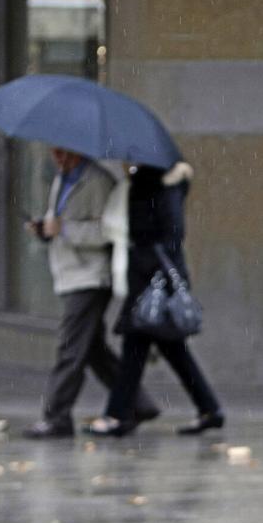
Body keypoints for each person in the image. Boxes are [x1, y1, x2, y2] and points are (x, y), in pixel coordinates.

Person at [22, 148, 159, 439]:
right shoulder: (62, 178)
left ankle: (57, 417)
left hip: (91, 276)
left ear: (77, 151)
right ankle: (138, 403)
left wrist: (64, 230)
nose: (58, 158)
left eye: (64, 153)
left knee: (70, 347)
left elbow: (105, 232)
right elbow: (62, 220)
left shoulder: (98, 181)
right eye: (54, 152)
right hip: (69, 273)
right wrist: (46, 229)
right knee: (93, 349)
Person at [84, 161, 224, 437]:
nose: (124, 163)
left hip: (153, 282)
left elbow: (171, 235)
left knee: (135, 349)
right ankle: (209, 409)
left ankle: (117, 415)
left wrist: (152, 269)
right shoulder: (147, 184)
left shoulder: (159, 186)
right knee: (171, 351)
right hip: (150, 279)